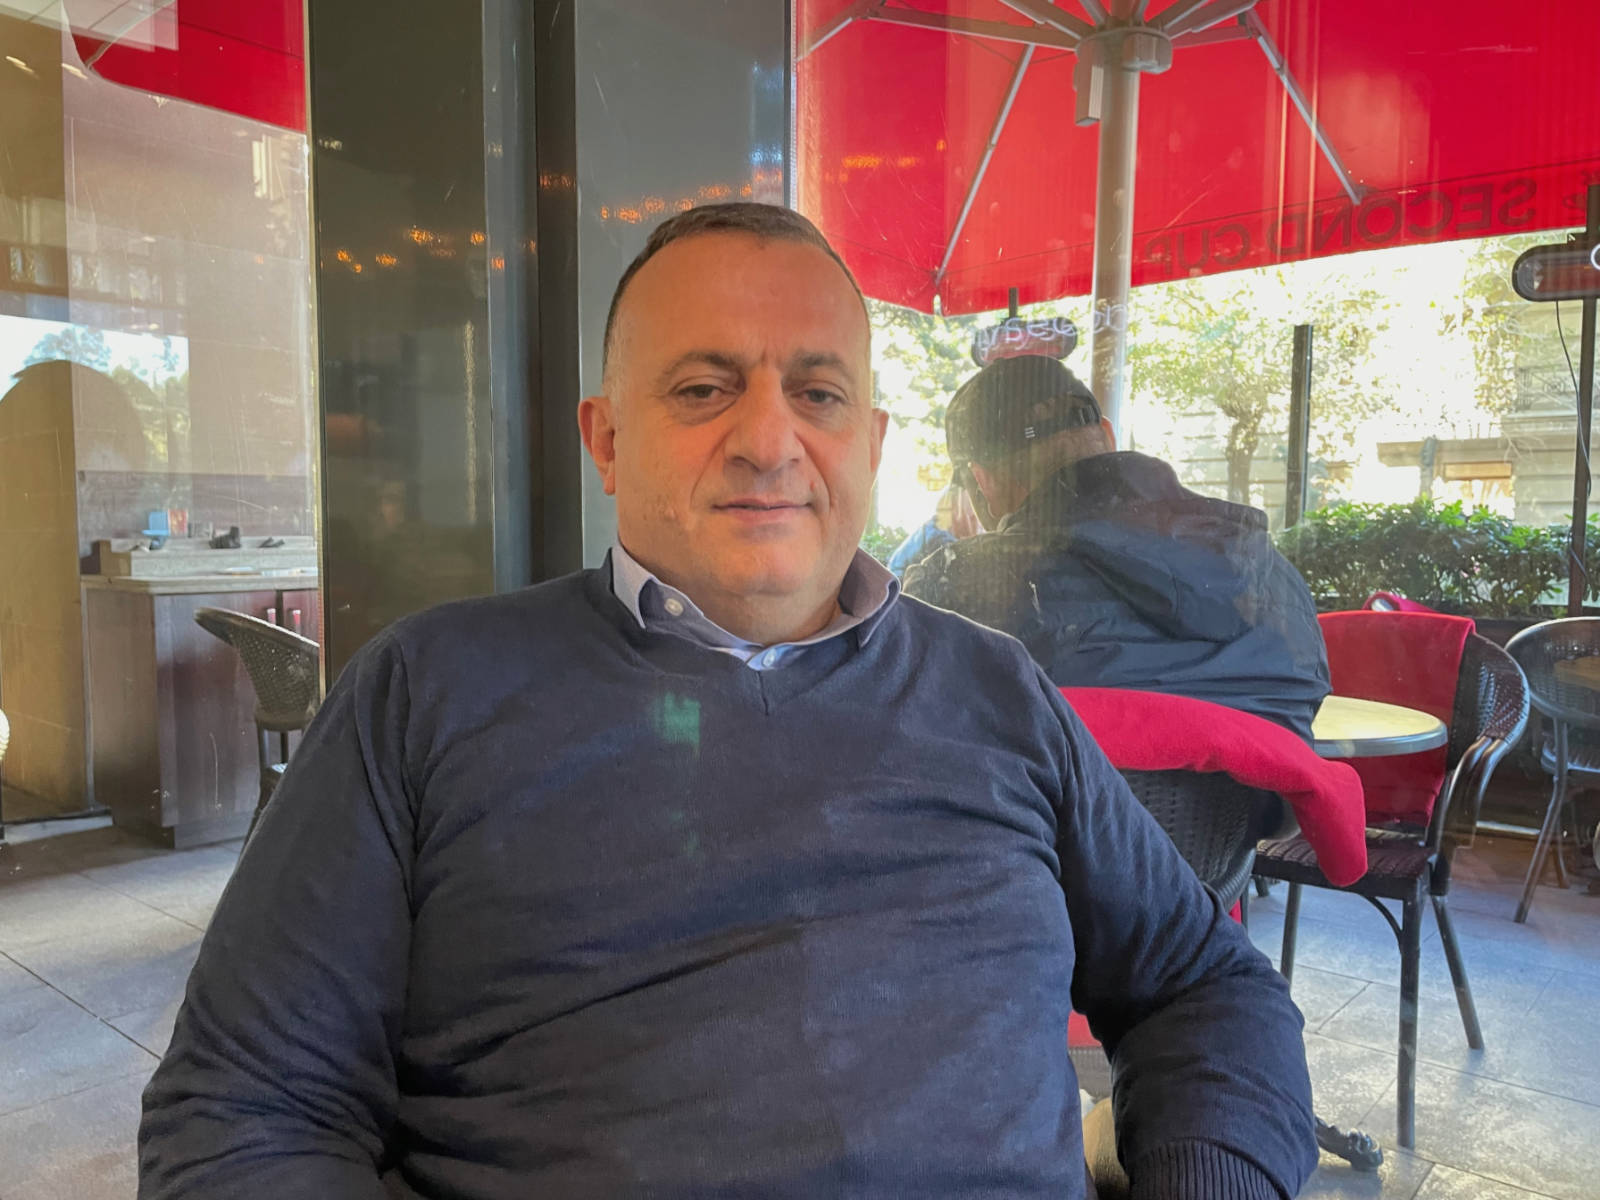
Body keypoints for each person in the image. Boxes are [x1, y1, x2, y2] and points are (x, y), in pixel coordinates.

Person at [138, 203, 1316, 1200]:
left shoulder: (995, 689)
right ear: (605, 441)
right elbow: (246, 1105)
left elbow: (1204, 989)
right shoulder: (428, 692)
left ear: (872, 444)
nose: (768, 439)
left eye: (819, 393)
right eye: (703, 389)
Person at [904, 355, 1330, 743]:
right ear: (1107, 434)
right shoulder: (1273, 575)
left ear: (982, 481)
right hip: (1248, 806)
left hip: (1047, 807)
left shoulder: (957, 587)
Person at [884, 481, 979, 578]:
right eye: (971, 516)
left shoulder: (936, 528)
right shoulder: (935, 533)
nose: (973, 517)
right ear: (954, 508)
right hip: (898, 579)